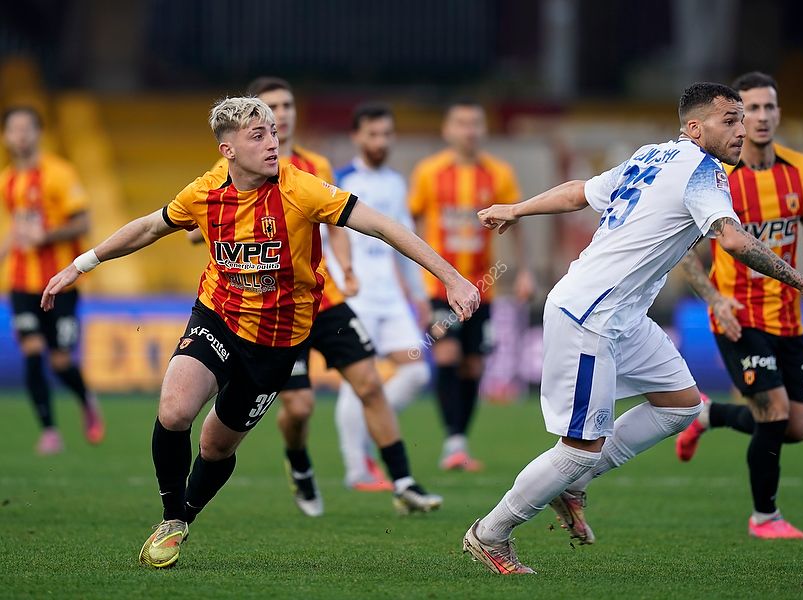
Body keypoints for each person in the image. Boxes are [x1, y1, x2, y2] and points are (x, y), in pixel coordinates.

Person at [41, 96, 478, 569]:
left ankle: (188, 513)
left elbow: (383, 227)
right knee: (174, 409)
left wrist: (451, 277)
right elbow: (149, 227)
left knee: (215, 445)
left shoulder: (300, 188)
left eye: (272, 133)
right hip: (217, 317)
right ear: (227, 149)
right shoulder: (206, 191)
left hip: (277, 342)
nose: (273, 143)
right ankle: (171, 518)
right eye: (258, 135)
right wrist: (80, 265)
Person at [461, 82, 803, 575]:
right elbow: (732, 240)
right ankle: (491, 533)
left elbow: (580, 192)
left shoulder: (652, 155)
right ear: (695, 128)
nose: (741, 131)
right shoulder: (703, 171)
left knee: (681, 405)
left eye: (743, 121)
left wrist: (517, 209)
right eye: (730, 120)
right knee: (579, 449)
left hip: (624, 317)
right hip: (591, 315)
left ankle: (573, 484)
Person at [192, 78, 441, 515]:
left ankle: (403, 481)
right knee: (300, 407)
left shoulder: (315, 165)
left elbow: (336, 221)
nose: (282, 114)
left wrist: (346, 267)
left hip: (324, 299)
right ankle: (299, 463)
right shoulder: (225, 169)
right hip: (273, 312)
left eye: (287, 105)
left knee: (369, 382)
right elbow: (201, 221)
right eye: (271, 107)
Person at [675, 72, 803, 539]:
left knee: (797, 427)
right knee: (774, 412)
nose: (759, 118)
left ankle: (710, 415)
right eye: (749, 110)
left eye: (768, 107)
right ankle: (765, 517)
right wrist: (714, 298)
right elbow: (684, 251)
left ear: (778, 113)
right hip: (738, 318)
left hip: (787, 316)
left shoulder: (802, 170)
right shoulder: (715, 177)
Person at [408, 100, 534, 471]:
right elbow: (409, 224)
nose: (469, 130)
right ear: (447, 130)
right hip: (439, 286)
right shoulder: (429, 172)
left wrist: (524, 271)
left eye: (475, 123)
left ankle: (459, 441)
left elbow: (516, 223)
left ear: (484, 129)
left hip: (482, 287)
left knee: (474, 366)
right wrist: (414, 279)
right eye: (461, 123)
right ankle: (453, 442)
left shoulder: (499, 173)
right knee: (446, 355)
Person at [329, 103, 432, 490]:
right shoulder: (339, 181)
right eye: (372, 134)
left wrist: (418, 294)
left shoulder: (395, 183)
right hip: (353, 297)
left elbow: (404, 242)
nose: (380, 141)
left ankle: (375, 427)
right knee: (357, 380)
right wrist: (339, 281)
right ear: (356, 137)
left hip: (390, 298)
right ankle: (356, 469)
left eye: (386, 134)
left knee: (417, 372)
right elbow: (325, 237)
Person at [0, 106, 103, 454]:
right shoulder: (6, 181)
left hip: (61, 282)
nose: (20, 136)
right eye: (13, 129)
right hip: (20, 283)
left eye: (26, 128)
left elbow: (83, 223)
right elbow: (16, 230)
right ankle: (49, 431)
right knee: (32, 351)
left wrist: (45, 236)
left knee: (59, 362)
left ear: (38, 133)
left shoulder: (59, 173)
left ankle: (85, 398)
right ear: (6, 137)